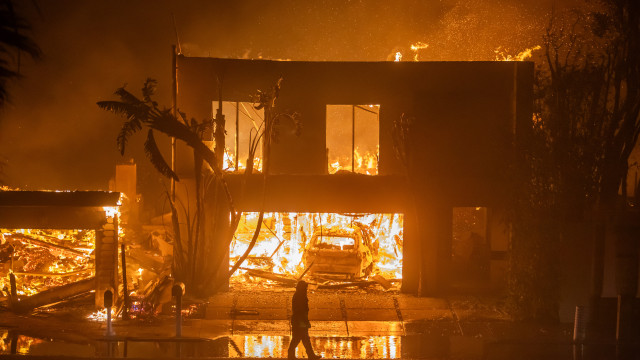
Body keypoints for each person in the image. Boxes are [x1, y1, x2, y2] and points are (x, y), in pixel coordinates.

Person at [288, 280, 320, 360]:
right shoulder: (300, 296)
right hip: (299, 321)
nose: (306, 290)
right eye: (305, 288)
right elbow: (300, 310)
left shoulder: (299, 295)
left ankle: (310, 355)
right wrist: (304, 321)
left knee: (304, 339)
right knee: (298, 338)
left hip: (299, 320)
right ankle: (291, 355)